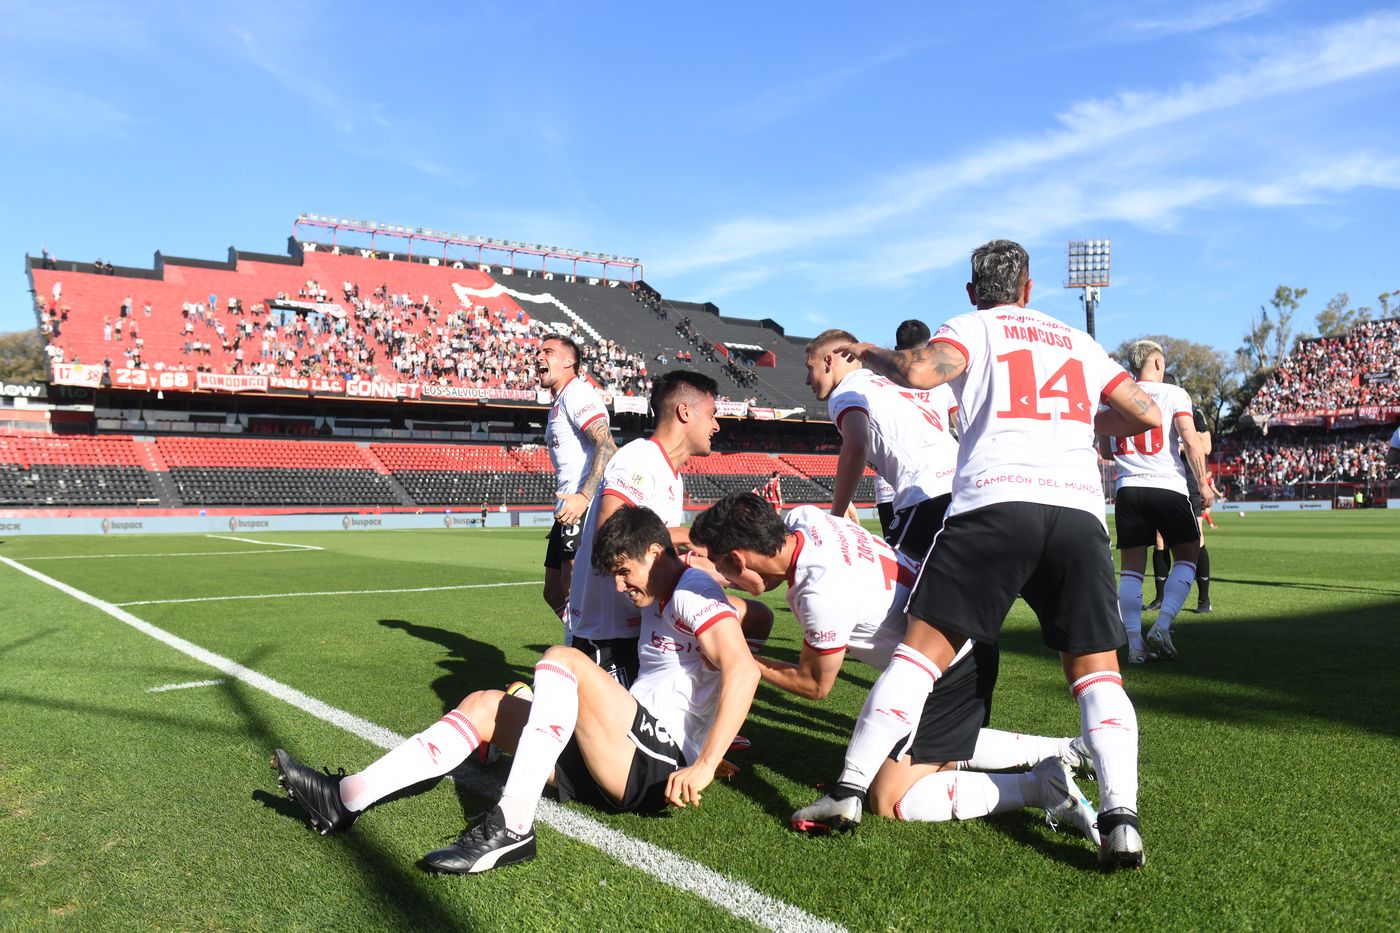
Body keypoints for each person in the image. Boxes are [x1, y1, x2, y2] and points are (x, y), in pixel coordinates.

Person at [795, 239, 1161, 870]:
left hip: (994, 504)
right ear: (1028, 288)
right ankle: (1121, 820)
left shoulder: (972, 327)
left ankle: (848, 791)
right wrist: (1083, 425)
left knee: (919, 656)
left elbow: (917, 372)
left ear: (973, 292)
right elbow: (1145, 412)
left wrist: (870, 352)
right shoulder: (1077, 341)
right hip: (1076, 512)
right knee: (1097, 674)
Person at [271, 506, 763, 874]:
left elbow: (744, 671)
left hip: (656, 766)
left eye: (623, 572)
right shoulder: (666, 588)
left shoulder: (693, 591)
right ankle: (345, 798)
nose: (619, 587)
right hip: (621, 752)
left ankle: (512, 825)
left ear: (654, 554)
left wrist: (703, 762)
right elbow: (747, 619)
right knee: (484, 705)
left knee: (562, 659)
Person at [690, 493, 1099, 843]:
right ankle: (1068, 749)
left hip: (948, 664)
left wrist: (742, 661)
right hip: (957, 635)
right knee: (936, 751)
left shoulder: (819, 593)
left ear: (739, 559)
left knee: (890, 797)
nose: (724, 579)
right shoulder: (805, 518)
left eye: (722, 569)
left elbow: (814, 684)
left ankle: (1040, 787)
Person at [566, 370, 723, 687]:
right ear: (684, 411)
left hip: (637, 630)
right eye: (711, 414)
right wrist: (691, 537)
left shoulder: (671, 475)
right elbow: (608, 535)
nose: (716, 425)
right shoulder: (641, 458)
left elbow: (655, 551)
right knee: (604, 721)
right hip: (607, 637)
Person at [1101, 343, 1215, 663]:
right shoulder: (1174, 394)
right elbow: (1191, 441)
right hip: (1168, 485)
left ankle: (1135, 645)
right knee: (1189, 553)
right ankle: (1162, 626)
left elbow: (1107, 453)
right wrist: (1203, 482)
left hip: (1128, 488)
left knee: (1131, 569)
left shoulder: (1116, 398)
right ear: (1157, 362)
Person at [805, 328, 958, 561]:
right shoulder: (886, 383)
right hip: (963, 484)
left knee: (896, 578)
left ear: (828, 361)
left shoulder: (845, 392)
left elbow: (857, 445)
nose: (807, 380)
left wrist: (836, 516)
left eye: (809, 367)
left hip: (928, 492)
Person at [536, 334, 617, 621]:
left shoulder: (577, 393)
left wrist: (583, 498)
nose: (539, 357)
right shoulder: (559, 401)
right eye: (538, 353)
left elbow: (607, 445)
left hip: (586, 505)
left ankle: (586, 644)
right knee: (553, 592)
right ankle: (580, 638)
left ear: (569, 361)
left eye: (548, 352)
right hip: (569, 510)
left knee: (573, 585)